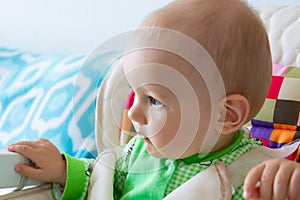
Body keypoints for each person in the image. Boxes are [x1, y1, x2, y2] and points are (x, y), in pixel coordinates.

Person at [7, 0, 300, 199]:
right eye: (136, 93)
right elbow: (102, 178)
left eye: (155, 100)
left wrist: (287, 186)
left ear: (226, 115)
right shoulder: (138, 153)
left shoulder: (253, 175)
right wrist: (61, 169)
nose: (134, 114)